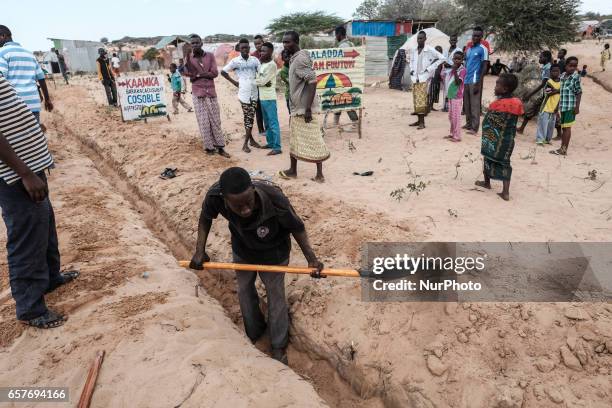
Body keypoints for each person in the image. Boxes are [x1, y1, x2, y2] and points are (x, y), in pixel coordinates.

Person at [189, 167, 324, 365]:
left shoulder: (274, 197)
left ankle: (278, 344)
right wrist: (200, 250)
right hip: (243, 249)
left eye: (248, 203)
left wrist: (311, 259)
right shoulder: (214, 196)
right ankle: (254, 332)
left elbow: (297, 228)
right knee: (244, 289)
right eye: (238, 206)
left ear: (252, 189)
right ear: (225, 199)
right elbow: (205, 218)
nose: (245, 210)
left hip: (275, 251)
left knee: (275, 293)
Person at [0, 76, 80, 329]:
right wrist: (24, 173)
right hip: (14, 173)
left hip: (27, 165)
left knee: (44, 222)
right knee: (27, 235)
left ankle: (50, 277)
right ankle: (31, 308)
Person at [278, 31, 330, 183]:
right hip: (297, 108)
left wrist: (307, 108)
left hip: (304, 109)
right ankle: (293, 170)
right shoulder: (296, 58)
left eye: (288, 42)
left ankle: (320, 175)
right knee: (294, 139)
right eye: (283, 42)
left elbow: (312, 81)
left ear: (296, 42)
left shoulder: (300, 58)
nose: (285, 45)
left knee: (314, 139)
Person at [475, 73, 523, 201]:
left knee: (487, 159)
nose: (495, 86)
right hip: (507, 140)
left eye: (497, 84)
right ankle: (505, 191)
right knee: (505, 163)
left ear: (505, 89)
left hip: (491, 139)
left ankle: (487, 182)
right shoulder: (517, 102)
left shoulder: (496, 104)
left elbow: (490, 120)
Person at [183, 34, 230, 158]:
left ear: (201, 43)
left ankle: (220, 147)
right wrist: (201, 74)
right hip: (198, 94)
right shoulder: (188, 58)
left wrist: (199, 75)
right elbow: (189, 75)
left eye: (197, 43)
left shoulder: (209, 56)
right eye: (192, 43)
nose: (195, 45)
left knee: (215, 121)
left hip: (211, 93)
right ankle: (209, 148)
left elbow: (214, 73)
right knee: (203, 122)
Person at [0, 25, 53, 122]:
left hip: (13, 106)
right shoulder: (29, 53)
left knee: (14, 136)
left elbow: (1, 78)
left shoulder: (2, 53)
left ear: (3, 36)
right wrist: (47, 99)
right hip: (33, 104)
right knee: (34, 135)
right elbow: (41, 78)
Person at [221, 38, 263, 153]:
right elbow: (223, 72)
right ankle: (245, 144)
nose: (245, 49)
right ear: (239, 49)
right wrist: (234, 82)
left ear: (249, 48)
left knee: (250, 117)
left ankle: (251, 140)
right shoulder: (235, 61)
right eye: (242, 48)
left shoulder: (255, 60)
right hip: (243, 94)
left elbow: (261, 73)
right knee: (248, 117)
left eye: (247, 47)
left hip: (254, 93)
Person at [408, 31, 445, 130]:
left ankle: (422, 123)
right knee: (416, 100)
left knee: (421, 101)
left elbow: (441, 58)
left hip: (423, 78)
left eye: (421, 38)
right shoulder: (414, 50)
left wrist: (430, 68)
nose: (419, 40)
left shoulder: (429, 50)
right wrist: (411, 70)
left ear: (425, 39)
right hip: (415, 78)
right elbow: (411, 61)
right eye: (418, 38)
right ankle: (418, 121)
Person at [550, 56, 582, 156]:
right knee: (564, 128)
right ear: (566, 66)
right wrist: (557, 105)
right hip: (563, 106)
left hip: (570, 107)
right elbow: (563, 91)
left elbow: (579, 92)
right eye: (570, 65)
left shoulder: (576, 77)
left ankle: (564, 150)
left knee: (567, 128)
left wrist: (577, 107)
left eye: (575, 66)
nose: (572, 68)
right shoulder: (563, 76)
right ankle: (561, 148)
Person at [255, 42, 282, 155]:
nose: (261, 53)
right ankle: (270, 143)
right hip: (262, 97)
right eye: (261, 51)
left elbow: (262, 81)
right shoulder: (262, 65)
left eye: (264, 51)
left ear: (270, 52)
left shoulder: (271, 65)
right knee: (267, 122)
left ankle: (277, 147)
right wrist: (259, 82)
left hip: (269, 98)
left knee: (273, 122)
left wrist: (257, 82)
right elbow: (259, 79)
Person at [517, 50, 552, 134]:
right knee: (532, 109)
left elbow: (543, 84)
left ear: (546, 58)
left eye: (541, 57)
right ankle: (521, 128)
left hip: (545, 94)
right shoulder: (546, 67)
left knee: (534, 109)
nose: (539, 59)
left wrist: (530, 94)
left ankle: (522, 128)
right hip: (544, 93)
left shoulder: (548, 68)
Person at [463, 26, 489, 134]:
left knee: (474, 105)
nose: (475, 37)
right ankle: (468, 124)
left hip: (475, 80)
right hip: (466, 80)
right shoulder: (469, 49)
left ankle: (475, 127)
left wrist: (479, 82)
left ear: (481, 37)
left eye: (478, 36)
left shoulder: (483, 49)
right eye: (474, 35)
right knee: (467, 104)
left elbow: (485, 66)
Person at [332, 26, 359, 129]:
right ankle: (336, 121)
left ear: (339, 34)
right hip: (350, 77)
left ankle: (355, 123)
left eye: (336, 35)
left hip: (343, 78)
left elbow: (339, 63)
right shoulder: (350, 44)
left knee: (345, 99)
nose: (335, 37)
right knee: (339, 99)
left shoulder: (342, 46)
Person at [442, 51, 466, 142]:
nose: (456, 61)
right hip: (451, 95)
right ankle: (452, 133)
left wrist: (455, 71)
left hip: (457, 97)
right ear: (452, 59)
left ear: (462, 60)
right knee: (451, 116)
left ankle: (457, 136)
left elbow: (457, 82)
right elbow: (444, 76)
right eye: (455, 59)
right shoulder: (452, 68)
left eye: (459, 59)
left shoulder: (463, 70)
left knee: (456, 117)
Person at [535, 64, 561, 145]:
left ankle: (547, 139)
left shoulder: (561, 82)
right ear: (550, 72)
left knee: (551, 125)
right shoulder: (548, 82)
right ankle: (540, 139)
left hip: (554, 107)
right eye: (553, 71)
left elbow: (560, 96)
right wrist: (559, 90)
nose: (555, 73)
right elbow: (548, 93)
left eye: (557, 71)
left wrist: (557, 107)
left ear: (559, 72)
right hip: (546, 106)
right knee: (543, 123)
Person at [441, 34, 462, 111]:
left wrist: (450, 65)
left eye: (454, 40)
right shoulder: (446, 50)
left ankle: (451, 106)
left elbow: (459, 63)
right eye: (451, 40)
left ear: (456, 41)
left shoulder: (459, 50)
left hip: (454, 72)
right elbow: (443, 59)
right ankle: (445, 106)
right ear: (449, 41)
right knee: (446, 89)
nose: (453, 41)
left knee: (452, 89)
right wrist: (445, 63)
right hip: (446, 72)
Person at [251, 35, 266, 136]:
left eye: (259, 43)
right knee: (258, 109)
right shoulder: (253, 55)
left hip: (266, 85)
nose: (258, 46)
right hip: (256, 85)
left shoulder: (268, 53)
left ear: (263, 42)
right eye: (256, 44)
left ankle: (268, 128)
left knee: (266, 107)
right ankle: (261, 130)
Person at [427, 45, 444, 112]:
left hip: (437, 79)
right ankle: (429, 106)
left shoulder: (441, 60)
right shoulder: (433, 60)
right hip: (433, 79)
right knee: (431, 93)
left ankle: (431, 106)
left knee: (435, 93)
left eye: (440, 52)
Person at [279, 49, 291, 114]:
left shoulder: (294, 66)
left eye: (290, 56)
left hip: (297, 95)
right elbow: (291, 82)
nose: (289, 58)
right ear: (283, 59)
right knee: (292, 115)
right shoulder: (283, 71)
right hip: (290, 95)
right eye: (286, 57)